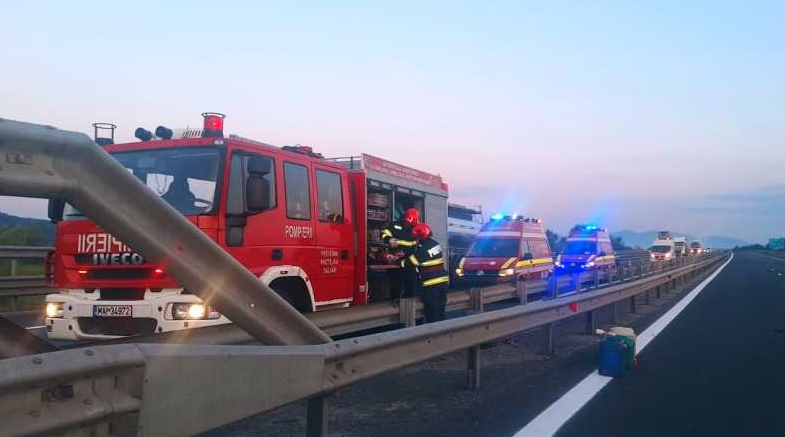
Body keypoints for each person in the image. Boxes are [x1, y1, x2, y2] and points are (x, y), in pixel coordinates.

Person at [406, 223, 449, 323]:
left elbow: (410, 263)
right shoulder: (435, 244)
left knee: (432, 314)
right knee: (441, 311)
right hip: (442, 283)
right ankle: (444, 330)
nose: (415, 239)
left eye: (416, 237)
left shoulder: (423, 249)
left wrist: (395, 260)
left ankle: (433, 332)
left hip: (431, 285)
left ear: (420, 237)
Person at [381, 208, 420, 298]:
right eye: (407, 224)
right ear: (404, 218)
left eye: (410, 225)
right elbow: (383, 234)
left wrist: (405, 253)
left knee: (410, 289)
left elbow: (417, 247)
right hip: (395, 262)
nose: (408, 226)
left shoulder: (416, 228)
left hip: (409, 262)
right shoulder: (394, 225)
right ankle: (395, 303)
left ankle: (408, 304)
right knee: (395, 287)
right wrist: (389, 239)